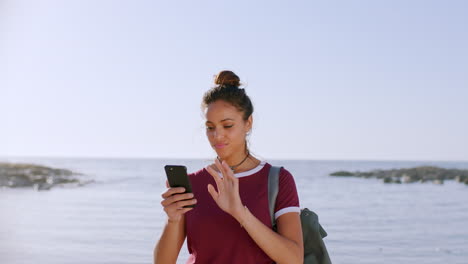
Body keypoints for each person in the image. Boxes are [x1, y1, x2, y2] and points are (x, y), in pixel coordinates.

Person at [153, 70, 304, 264]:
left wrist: (241, 213)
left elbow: (294, 260)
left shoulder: (277, 180)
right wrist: (172, 220)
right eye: (210, 127)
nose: (217, 135)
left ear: (248, 123)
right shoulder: (193, 183)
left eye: (227, 125)